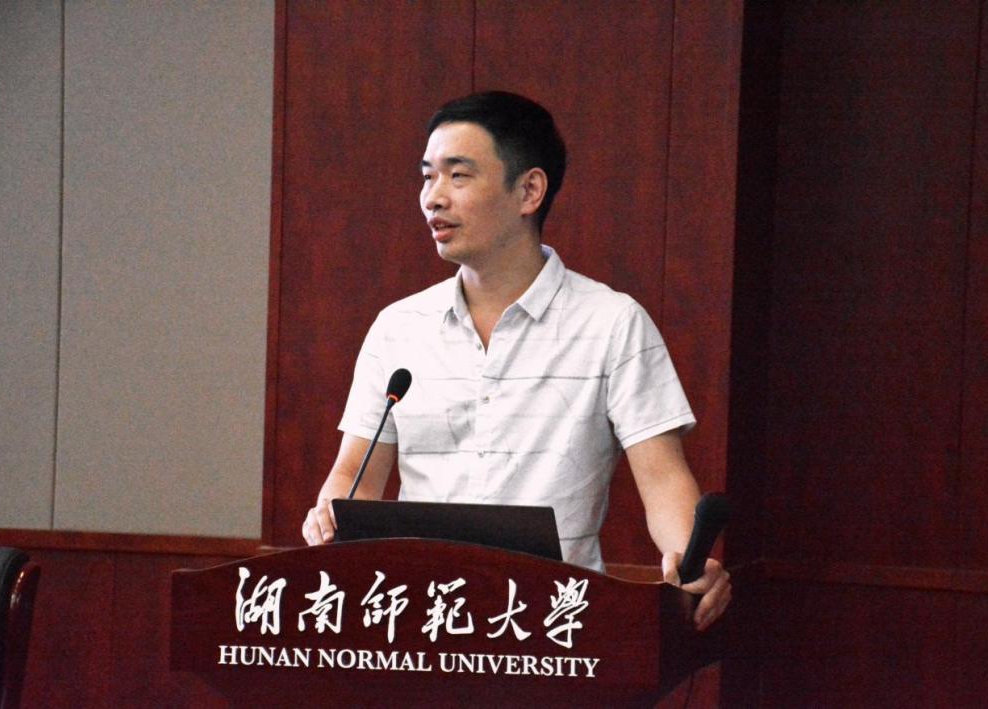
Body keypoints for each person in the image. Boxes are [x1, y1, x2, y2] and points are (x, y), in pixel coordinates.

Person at [302, 91, 731, 630]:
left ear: (529, 190)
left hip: (555, 624)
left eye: (458, 176)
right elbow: (355, 475)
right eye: (427, 177)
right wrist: (330, 517)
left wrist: (689, 562)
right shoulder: (399, 328)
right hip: (419, 621)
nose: (433, 198)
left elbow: (663, 478)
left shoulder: (611, 323)